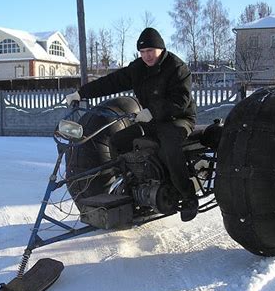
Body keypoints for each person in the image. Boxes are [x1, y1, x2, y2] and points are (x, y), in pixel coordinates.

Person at [65, 27, 199, 221]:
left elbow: (181, 100)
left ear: (161, 49)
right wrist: (81, 93)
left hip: (178, 119)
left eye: (151, 51)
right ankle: (134, 187)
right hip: (151, 119)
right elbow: (111, 82)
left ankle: (188, 197)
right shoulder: (137, 69)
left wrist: (152, 111)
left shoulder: (177, 68)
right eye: (143, 52)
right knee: (119, 141)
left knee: (169, 147)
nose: (147, 56)